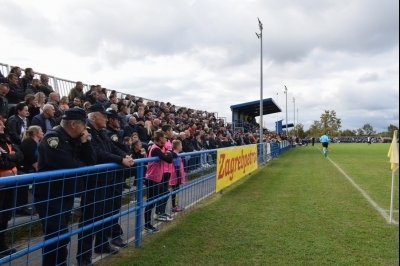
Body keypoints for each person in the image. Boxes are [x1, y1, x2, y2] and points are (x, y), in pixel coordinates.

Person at [33, 108, 96, 266]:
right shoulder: (52, 138)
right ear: (74, 124)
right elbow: (69, 165)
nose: (86, 129)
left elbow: (91, 161)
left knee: (60, 236)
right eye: (84, 125)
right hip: (49, 196)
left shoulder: (75, 139)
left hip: (65, 194)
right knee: (57, 236)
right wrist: (82, 166)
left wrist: (85, 142)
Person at [76, 104, 134, 266]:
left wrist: (125, 156)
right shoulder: (87, 132)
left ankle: (102, 245)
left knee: (105, 216)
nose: (107, 119)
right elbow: (98, 154)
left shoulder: (101, 133)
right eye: (104, 116)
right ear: (94, 117)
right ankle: (84, 258)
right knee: (89, 220)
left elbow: (113, 147)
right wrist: (120, 160)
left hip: (106, 181)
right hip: (94, 183)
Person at [0, 116, 24, 256]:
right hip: (2, 186)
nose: (3, 127)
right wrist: (12, 159)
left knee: (6, 217)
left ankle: (1, 245)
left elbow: (20, 155)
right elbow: (2, 163)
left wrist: (8, 158)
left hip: (9, 185)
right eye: (0, 125)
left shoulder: (6, 141)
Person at [144, 130, 175, 233]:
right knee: (151, 202)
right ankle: (147, 224)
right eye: (164, 137)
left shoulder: (161, 147)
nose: (166, 139)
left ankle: (160, 212)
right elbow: (169, 159)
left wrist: (168, 153)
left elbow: (173, 155)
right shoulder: (156, 149)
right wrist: (168, 153)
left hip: (158, 177)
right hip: (152, 178)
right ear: (159, 139)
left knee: (165, 193)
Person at [16, 126, 43, 216]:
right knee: (23, 188)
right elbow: (31, 159)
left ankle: (37, 205)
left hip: (33, 169)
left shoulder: (37, 142)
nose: (42, 132)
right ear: (35, 133)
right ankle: (21, 208)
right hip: (26, 169)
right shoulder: (28, 143)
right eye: (41, 131)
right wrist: (40, 170)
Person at [170, 140, 186, 212]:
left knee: (176, 191)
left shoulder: (177, 154)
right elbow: (176, 167)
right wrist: (179, 177)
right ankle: (174, 206)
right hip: (176, 176)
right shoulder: (175, 155)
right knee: (175, 191)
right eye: (181, 145)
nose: (182, 146)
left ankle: (176, 205)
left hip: (177, 176)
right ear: (177, 147)